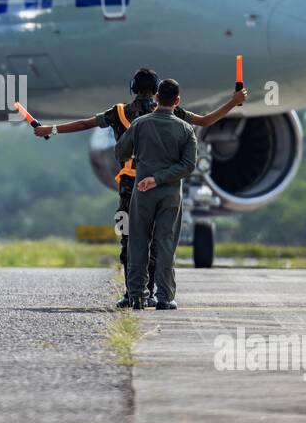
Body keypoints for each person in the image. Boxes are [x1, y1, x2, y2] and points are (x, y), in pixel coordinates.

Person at [34, 69, 245, 307]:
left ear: (133, 88)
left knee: (131, 239)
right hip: (164, 183)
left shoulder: (120, 112)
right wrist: (233, 102)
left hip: (130, 185)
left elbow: (85, 124)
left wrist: (50, 129)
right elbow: (205, 121)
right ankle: (155, 293)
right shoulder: (173, 112)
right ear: (158, 93)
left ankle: (133, 294)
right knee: (161, 240)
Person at [114, 78, 198, 310]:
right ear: (177, 101)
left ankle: (136, 296)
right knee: (166, 244)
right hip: (170, 194)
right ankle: (164, 297)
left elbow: (121, 152)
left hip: (142, 190)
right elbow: (189, 165)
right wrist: (160, 178)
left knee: (137, 242)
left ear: (157, 98)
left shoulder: (139, 124)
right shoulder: (185, 129)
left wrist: (147, 170)